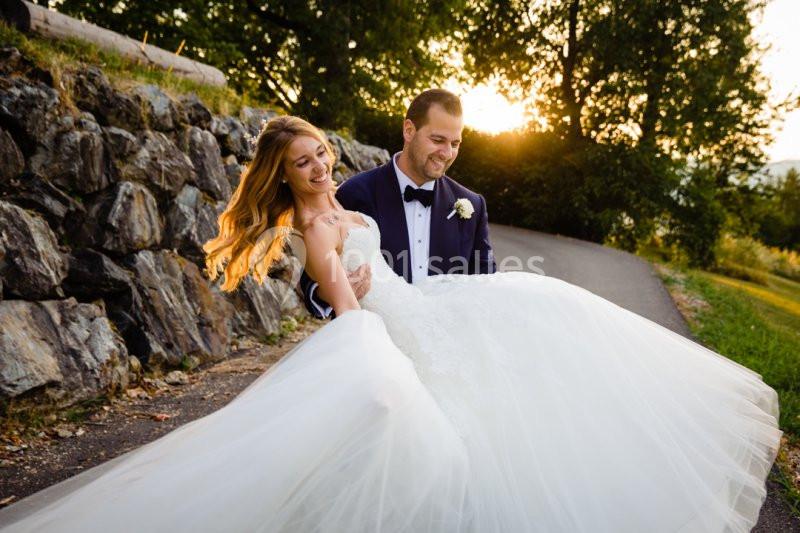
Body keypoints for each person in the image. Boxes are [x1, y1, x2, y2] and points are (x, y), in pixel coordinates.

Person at [0, 113, 781, 533]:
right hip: (399, 331)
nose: (318, 166)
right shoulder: (324, 223)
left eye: (320, 154)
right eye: (303, 161)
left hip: (437, 309)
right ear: (282, 173)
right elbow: (338, 303)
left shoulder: (355, 204)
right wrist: (355, 310)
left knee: (541, 323)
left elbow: (424, 271)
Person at [300, 89, 495, 319]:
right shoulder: (356, 193)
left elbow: (487, 284)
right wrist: (331, 293)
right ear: (409, 130)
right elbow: (312, 277)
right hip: (376, 342)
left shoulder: (472, 205)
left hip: (446, 341)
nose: (447, 153)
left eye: (455, 143)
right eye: (438, 140)